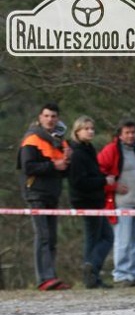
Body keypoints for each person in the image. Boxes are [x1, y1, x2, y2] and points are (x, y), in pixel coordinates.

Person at [17, 102, 73, 291]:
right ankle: (44, 278)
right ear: (40, 118)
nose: (50, 120)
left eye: (53, 116)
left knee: (52, 237)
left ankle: (51, 276)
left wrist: (67, 162)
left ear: (58, 118)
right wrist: (53, 165)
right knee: (42, 236)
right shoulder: (32, 139)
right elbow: (28, 167)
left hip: (52, 193)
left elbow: (63, 171)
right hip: (36, 193)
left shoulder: (59, 140)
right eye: (47, 116)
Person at [98, 119, 135, 287]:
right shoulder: (111, 150)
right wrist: (113, 187)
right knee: (123, 240)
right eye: (127, 133)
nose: (131, 136)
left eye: (133, 132)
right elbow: (99, 172)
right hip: (122, 203)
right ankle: (121, 274)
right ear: (120, 134)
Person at [67, 116, 115, 289]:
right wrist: (103, 181)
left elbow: (92, 175)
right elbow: (79, 181)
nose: (90, 131)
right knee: (96, 238)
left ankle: (92, 272)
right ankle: (91, 270)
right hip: (86, 201)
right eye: (86, 128)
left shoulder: (89, 149)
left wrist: (101, 179)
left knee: (104, 237)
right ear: (77, 131)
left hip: (96, 200)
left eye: (92, 128)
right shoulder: (78, 153)